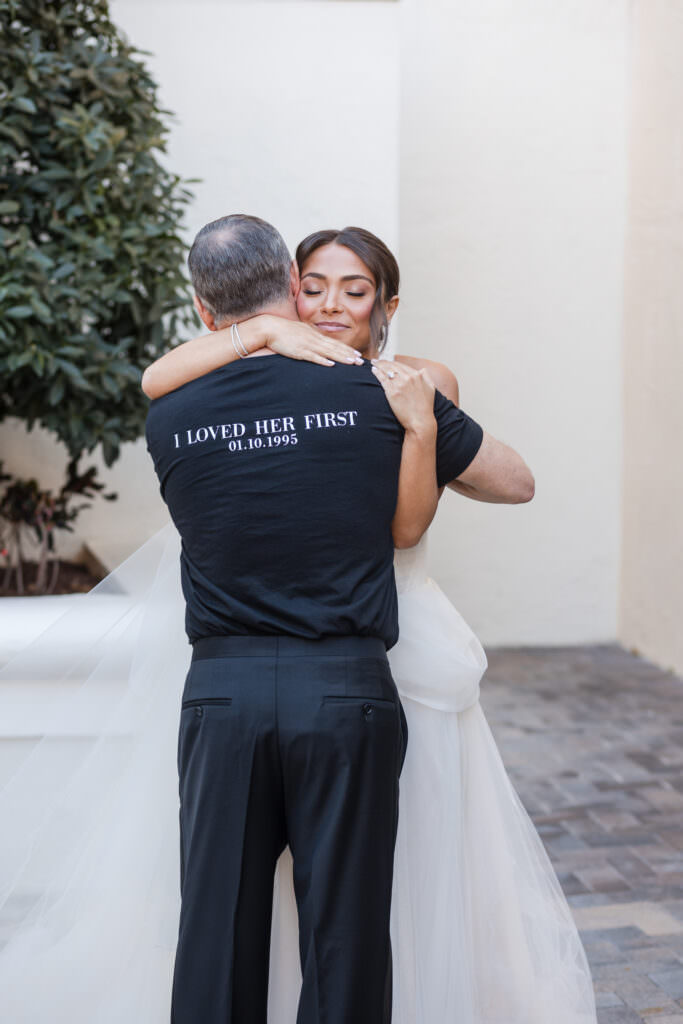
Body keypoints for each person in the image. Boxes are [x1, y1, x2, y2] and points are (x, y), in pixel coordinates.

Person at [145, 223, 598, 1023]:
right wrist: (419, 425)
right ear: (291, 283)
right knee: (345, 939)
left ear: (201, 310)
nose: (329, 303)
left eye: (352, 290)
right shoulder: (375, 395)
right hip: (345, 686)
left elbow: (156, 380)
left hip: (221, 692)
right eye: (315, 287)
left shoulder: (173, 410)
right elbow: (510, 482)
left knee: (213, 935)